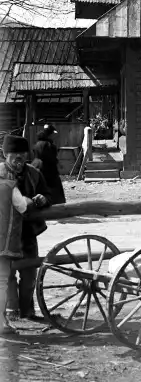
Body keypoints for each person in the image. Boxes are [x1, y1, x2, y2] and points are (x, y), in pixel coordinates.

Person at [2, 135, 50, 322]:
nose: (20, 160)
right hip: (4, 235)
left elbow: (48, 194)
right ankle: (12, 311)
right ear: (5, 154)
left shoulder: (34, 173)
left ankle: (27, 311)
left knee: (30, 274)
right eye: (15, 156)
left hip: (28, 233)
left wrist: (43, 199)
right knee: (7, 276)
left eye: (23, 155)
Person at [0, 141, 35, 334]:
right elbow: (22, 206)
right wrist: (31, 200)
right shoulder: (10, 184)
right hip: (3, 242)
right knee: (1, 282)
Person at [31, 124, 65, 205]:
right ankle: (57, 206)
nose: (54, 136)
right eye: (53, 134)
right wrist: (57, 164)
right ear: (50, 134)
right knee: (54, 189)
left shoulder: (37, 144)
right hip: (49, 170)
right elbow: (51, 158)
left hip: (37, 168)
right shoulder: (49, 145)